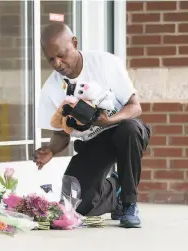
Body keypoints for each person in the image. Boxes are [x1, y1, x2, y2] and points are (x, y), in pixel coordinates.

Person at [32, 22, 151, 228]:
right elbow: (62, 134)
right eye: (51, 59)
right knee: (77, 204)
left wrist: (109, 121)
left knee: (130, 129)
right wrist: (51, 150)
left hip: (121, 131)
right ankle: (116, 190)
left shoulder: (105, 62)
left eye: (61, 55)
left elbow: (135, 107)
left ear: (75, 43)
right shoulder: (51, 89)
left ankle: (129, 204)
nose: (57, 63)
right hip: (93, 143)